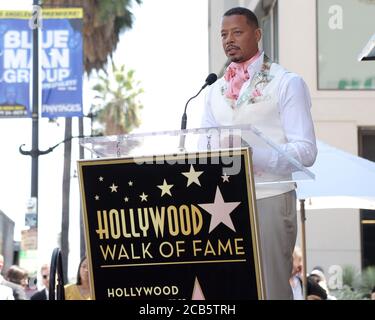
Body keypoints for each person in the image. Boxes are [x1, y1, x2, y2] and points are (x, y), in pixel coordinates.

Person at [200, 7, 317, 299]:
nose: (229, 39)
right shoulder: (213, 91)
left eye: (237, 32)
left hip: (271, 196)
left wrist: (253, 156)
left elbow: (306, 150)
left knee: (271, 288)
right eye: (224, 34)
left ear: (258, 34)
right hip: (223, 199)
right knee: (229, 288)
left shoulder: (286, 82)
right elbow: (204, 145)